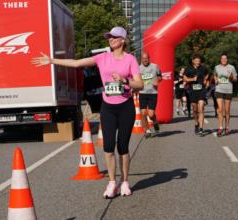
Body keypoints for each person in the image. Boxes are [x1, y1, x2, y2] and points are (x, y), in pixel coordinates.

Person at [32, 26, 143, 197]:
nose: (110, 40)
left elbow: (140, 84)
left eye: (114, 37)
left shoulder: (130, 60)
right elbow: (77, 63)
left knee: (123, 146)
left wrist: (124, 80)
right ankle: (112, 183)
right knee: (107, 147)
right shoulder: (102, 58)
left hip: (125, 106)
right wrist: (52, 61)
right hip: (108, 107)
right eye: (109, 37)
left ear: (122, 40)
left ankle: (125, 182)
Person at [213, 53, 238, 136]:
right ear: (220, 59)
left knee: (227, 111)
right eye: (222, 58)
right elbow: (214, 75)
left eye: (225, 58)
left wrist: (231, 76)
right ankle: (220, 128)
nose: (224, 60)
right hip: (219, 89)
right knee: (220, 110)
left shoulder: (231, 67)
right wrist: (216, 79)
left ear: (227, 59)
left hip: (228, 90)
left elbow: (235, 79)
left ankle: (227, 127)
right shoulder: (217, 67)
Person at [183, 55, 210, 136]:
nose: (198, 62)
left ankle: (201, 128)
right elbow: (185, 78)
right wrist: (192, 79)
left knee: (201, 108)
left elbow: (208, 74)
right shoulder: (188, 69)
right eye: (196, 60)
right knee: (195, 109)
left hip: (201, 90)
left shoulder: (203, 68)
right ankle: (196, 123)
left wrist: (206, 80)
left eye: (199, 60)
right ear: (193, 61)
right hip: (192, 91)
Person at [138, 52, 162, 136]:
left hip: (153, 93)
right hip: (142, 93)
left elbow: (160, 76)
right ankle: (147, 130)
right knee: (143, 113)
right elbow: (136, 80)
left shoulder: (155, 66)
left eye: (147, 58)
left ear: (149, 58)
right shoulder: (138, 68)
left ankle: (155, 122)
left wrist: (157, 80)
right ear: (141, 59)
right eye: (144, 58)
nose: (145, 60)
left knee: (151, 114)